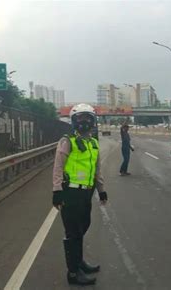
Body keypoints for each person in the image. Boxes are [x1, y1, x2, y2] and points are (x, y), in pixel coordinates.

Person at [52, 103, 108, 286]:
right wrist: (57, 192)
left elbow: (97, 170)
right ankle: (73, 273)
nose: (83, 122)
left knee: (82, 228)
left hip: (86, 194)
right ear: (73, 121)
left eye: (87, 118)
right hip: (71, 193)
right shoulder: (67, 141)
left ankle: (79, 262)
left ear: (93, 121)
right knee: (73, 232)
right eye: (79, 118)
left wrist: (101, 190)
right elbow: (58, 167)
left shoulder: (93, 143)